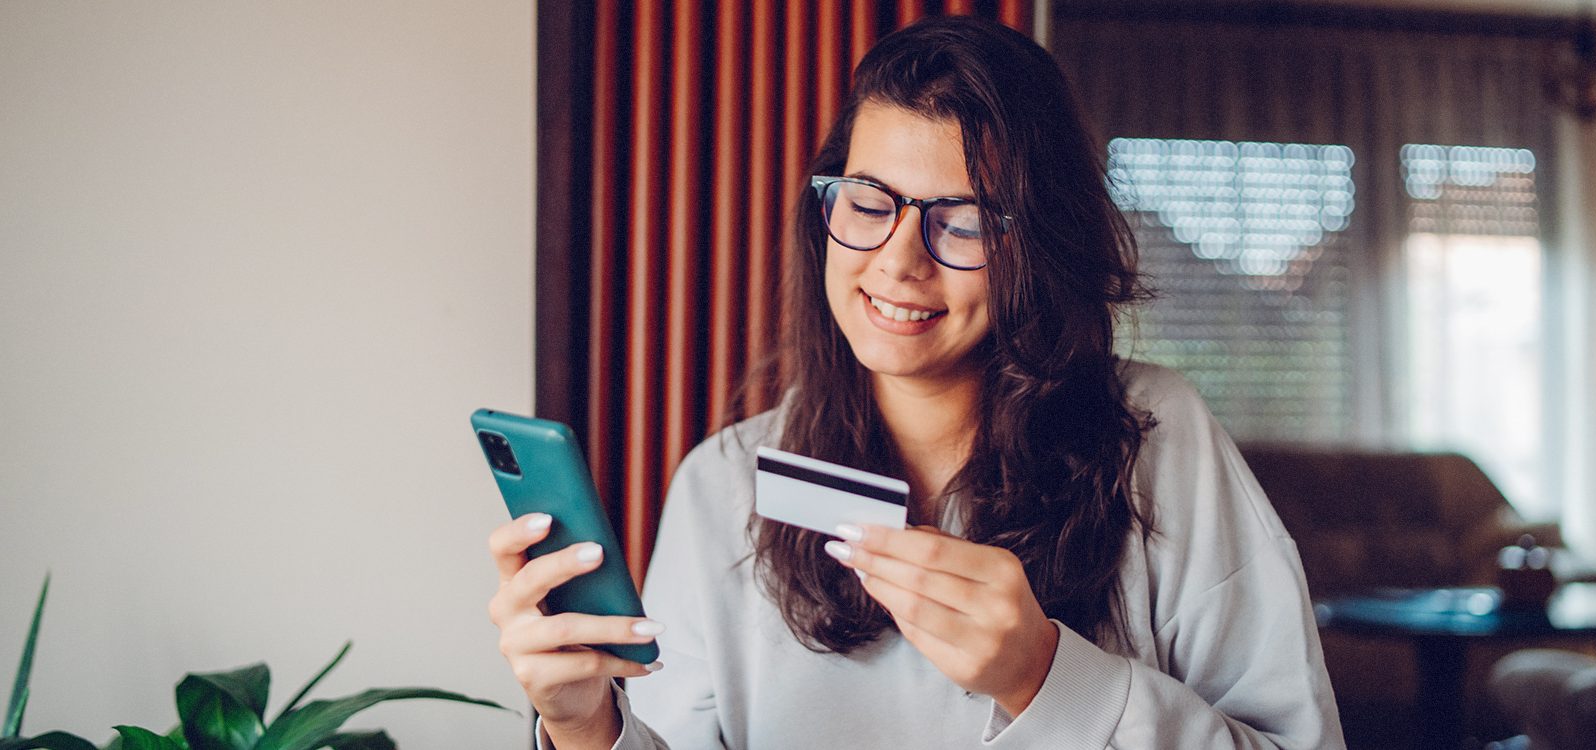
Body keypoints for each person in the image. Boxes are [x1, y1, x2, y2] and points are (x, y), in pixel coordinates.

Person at [487, 15, 1344, 749]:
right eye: (868, 202)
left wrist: (1048, 679)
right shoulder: (724, 482)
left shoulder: (1156, 436)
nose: (898, 262)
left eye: (962, 221)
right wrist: (582, 727)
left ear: (1037, 247)